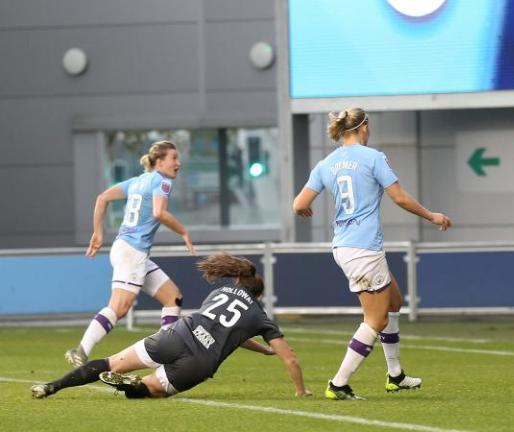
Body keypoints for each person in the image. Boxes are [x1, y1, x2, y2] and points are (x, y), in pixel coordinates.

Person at [293, 107, 452, 400]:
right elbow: (399, 197)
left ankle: (395, 375)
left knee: (394, 300)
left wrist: (303, 208)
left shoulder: (326, 164)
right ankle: (339, 383)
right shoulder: (373, 158)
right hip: (363, 248)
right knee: (375, 319)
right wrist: (432, 216)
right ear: (364, 127)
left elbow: (298, 203)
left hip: (344, 245)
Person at [33, 254, 310, 399]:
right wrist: (300, 389)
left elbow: (223, 327)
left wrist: (261, 350)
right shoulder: (258, 315)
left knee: (109, 363)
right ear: (259, 295)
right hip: (199, 362)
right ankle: (132, 387)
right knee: (150, 392)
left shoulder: (219, 294)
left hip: (177, 335)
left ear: (240, 281)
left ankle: (51, 386)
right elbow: (291, 359)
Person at [65, 140, 196, 369]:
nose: (178, 163)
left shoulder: (138, 181)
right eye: (174, 158)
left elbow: (102, 198)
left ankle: (164, 353)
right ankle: (80, 351)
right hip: (132, 253)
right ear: (160, 161)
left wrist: (98, 233)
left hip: (126, 250)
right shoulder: (162, 181)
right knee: (119, 307)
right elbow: (159, 213)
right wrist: (183, 232)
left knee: (173, 297)